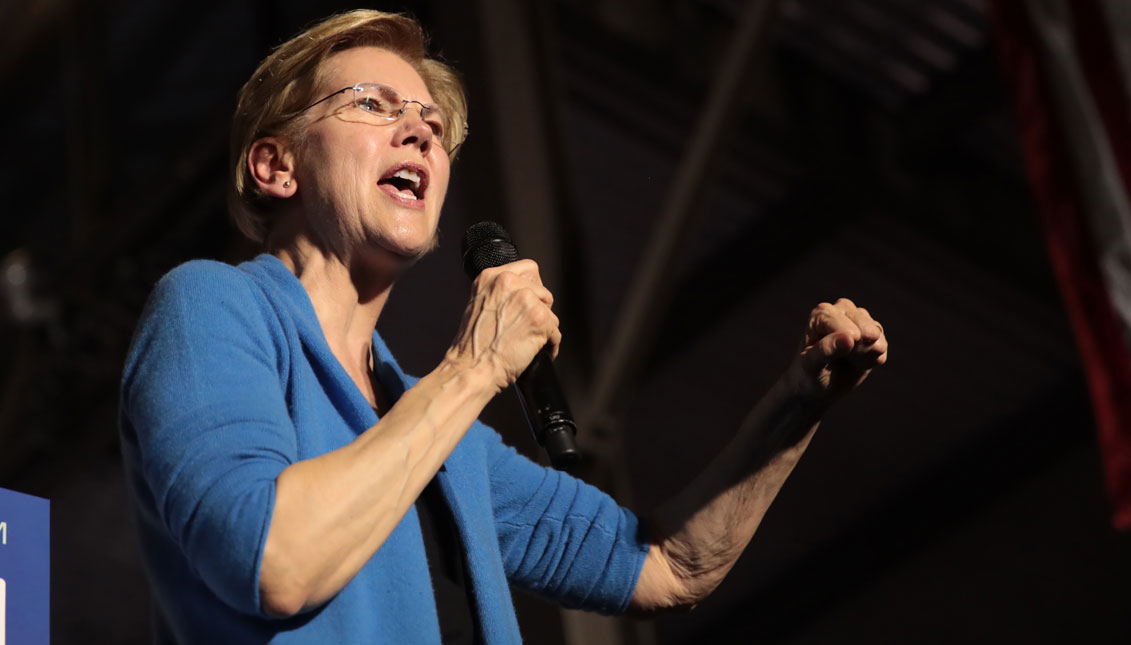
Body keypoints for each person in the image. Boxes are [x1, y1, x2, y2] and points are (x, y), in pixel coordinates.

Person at [118, 9, 889, 644]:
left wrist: (799, 404)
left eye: (430, 121)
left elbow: (668, 564)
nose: (419, 132)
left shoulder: (444, 438)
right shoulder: (210, 308)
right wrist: (473, 370)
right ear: (275, 166)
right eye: (372, 104)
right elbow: (274, 560)